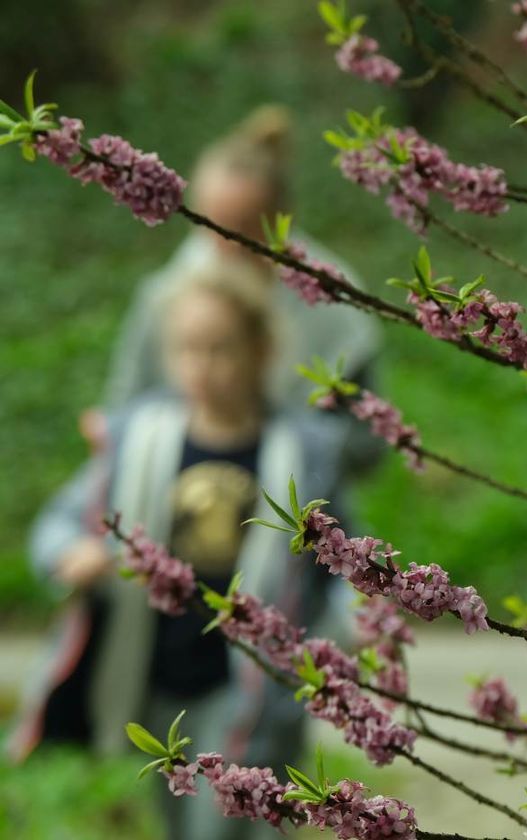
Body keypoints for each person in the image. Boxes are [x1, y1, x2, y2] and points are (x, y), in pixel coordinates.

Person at [12, 263, 349, 840]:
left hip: (249, 678)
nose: (204, 366)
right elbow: (59, 524)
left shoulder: (302, 450)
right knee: (177, 814)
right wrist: (71, 553)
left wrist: (353, 622)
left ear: (261, 350)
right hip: (156, 669)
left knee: (232, 820)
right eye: (188, 349)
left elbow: (341, 558)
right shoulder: (136, 439)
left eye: (222, 349)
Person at [88, 105, 382, 476]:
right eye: (211, 226)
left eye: (242, 230)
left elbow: (365, 445)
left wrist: (288, 453)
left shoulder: (333, 303)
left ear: (282, 217)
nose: (225, 247)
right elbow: (124, 409)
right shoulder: (166, 297)